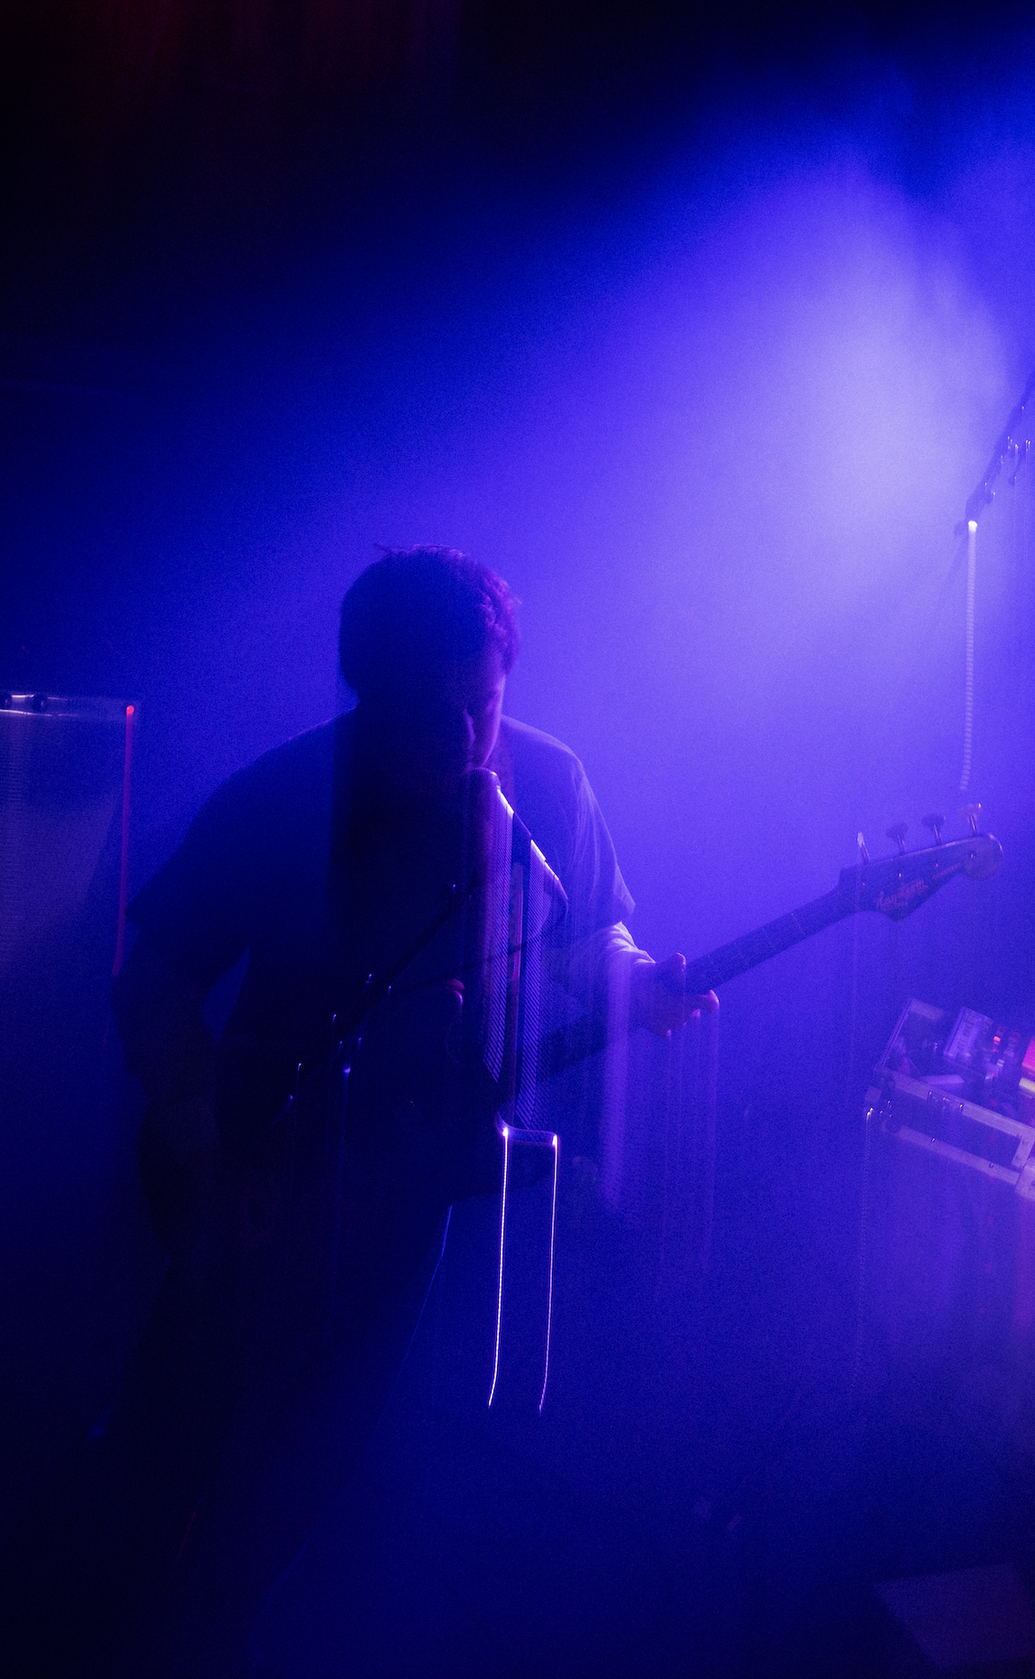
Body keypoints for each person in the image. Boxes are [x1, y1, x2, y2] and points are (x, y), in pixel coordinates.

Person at [55, 547, 712, 1675]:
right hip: (272, 1180)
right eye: (431, 714)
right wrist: (208, 1140)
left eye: (483, 706)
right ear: (369, 693)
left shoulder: (549, 783)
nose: (466, 742)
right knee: (180, 1446)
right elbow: (154, 975)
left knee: (345, 1477)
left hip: (434, 1190)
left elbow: (589, 937)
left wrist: (638, 980)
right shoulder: (285, 796)